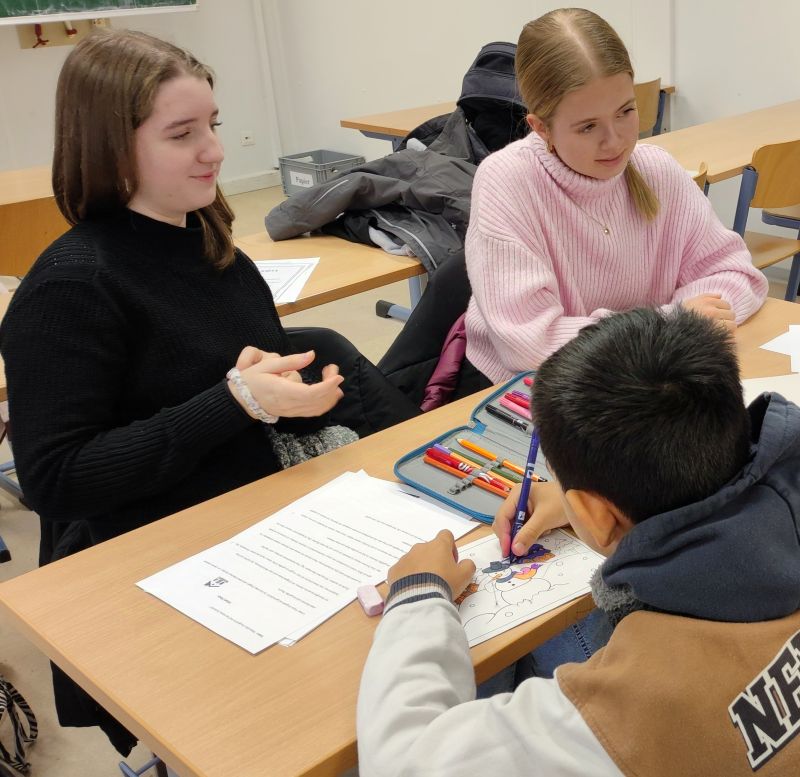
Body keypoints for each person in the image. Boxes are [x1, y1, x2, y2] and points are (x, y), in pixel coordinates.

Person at [0, 28, 419, 753]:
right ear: (111, 147)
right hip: (161, 558)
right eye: (182, 133)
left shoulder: (207, 238)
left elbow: (238, 375)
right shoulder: (70, 287)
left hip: (255, 513)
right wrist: (238, 402)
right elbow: (58, 479)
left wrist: (281, 394)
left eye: (214, 125)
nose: (216, 150)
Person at [357, 306, 800, 776]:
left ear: (596, 514)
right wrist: (591, 511)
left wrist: (418, 594)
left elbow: (397, 763)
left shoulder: (618, 716)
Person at [464, 8, 768, 384]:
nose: (616, 141)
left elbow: (736, 273)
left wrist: (680, 324)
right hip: (531, 392)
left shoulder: (655, 169)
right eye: (588, 126)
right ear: (541, 128)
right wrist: (674, 323)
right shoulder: (508, 182)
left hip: (642, 380)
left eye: (625, 111)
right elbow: (528, 343)